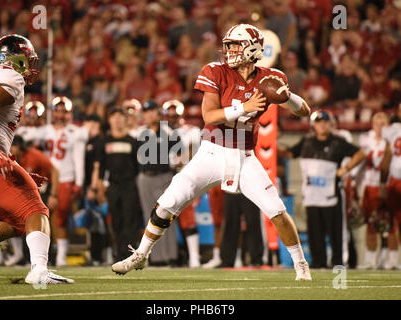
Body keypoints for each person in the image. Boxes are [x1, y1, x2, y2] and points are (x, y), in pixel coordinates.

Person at [112, 24, 312, 280]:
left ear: (252, 48)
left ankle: (301, 265)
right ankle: (141, 254)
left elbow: (304, 111)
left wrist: (286, 97)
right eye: (228, 45)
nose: (229, 50)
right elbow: (209, 115)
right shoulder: (215, 71)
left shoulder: (270, 77)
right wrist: (245, 107)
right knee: (168, 202)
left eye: (235, 45)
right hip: (212, 152)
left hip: (244, 155)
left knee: (277, 211)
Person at [0, 34, 73, 284]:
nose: (31, 66)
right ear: (12, 61)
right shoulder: (9, 77)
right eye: (26, 60)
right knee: (35, 210)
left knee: (12, 221)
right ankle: (39, 272)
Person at [284, 110, 366, 268]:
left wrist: (345, 168)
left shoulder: (338, 142)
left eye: (325, 122)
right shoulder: (306, 141)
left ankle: (339, 264)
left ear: (330, 124)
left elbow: (360, 153)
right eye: (318, 122)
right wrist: (269, 143)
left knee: (336, 233)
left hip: (331, 194)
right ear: (313, 125)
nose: (321, 125)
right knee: (315, 234)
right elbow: (289, 153)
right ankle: (318, 263)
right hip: (312, 196)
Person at [32, 96, 88, 267]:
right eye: (58, 110)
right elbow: (25, 136)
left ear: (70, 113)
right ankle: (45, 255)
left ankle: (61, 256)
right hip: (45, 179)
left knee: (60, 217)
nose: (60, 114)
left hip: (65, 178)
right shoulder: (45, 130)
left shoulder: (76, 132)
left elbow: (79, 159)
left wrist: (79, 181)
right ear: (52, 112)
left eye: (64, 111)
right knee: (41, 217)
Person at [135, 100, 182, 266]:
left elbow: (178, 158)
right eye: (146, 112)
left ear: (158, 113)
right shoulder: (139, 133)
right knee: (150, 217)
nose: (148, 115)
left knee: (165, 215)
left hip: (164, 177)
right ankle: (156, 258)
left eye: (151, 111)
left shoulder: (169, 132)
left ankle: (171, 256)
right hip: (144, 178)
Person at [5, 135, 60, 266]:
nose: (10, 149)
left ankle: (48, 258)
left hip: (42, 192)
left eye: (13, 146)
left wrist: (53, 195)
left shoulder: (34, 155)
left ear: (20, 147)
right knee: (24, 224)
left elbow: (55, 171)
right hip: (25, 193)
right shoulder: (7, 159)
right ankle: (27, 258)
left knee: (42, 223)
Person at [97, 107, 141, 262]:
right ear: (109, 121)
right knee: (116, 220)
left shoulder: (133, 142)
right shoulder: (104, 142)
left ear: (125, 120)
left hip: (130, 186)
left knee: (130, 220)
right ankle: (119, 252)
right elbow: (100, 167)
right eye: (113, 116)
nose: (117, 120)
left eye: (120, 116)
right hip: (113, 187)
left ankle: (129, 254)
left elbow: (138, 168)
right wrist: (99, 188)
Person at [161, 99, 201, 268]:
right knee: (165, 217)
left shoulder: (191, 131)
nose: (171, 118)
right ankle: (173, 256)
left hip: (186, 176)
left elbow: (195, 155)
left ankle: (194, 258)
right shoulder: (160, 131)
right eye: (168, 115)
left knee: (187, 218)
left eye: (174, 115)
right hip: (165, 176)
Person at [357, 112, 396, 269]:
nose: (379, 125)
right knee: (372, 225)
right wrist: (355, 183)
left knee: (392, 225)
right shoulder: (367, 139)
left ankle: (392, 261)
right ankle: (370, 260)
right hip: (371, 186)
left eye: (383, 122)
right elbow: (360, 164)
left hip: (389, 185)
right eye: (376, 122)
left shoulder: (394, 140)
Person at [381, 115, 401, 269]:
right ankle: (393, 260)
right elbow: (387, 157)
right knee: (393, 221)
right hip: (395, 181)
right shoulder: (393, 130)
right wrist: (383, 181)